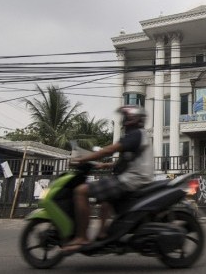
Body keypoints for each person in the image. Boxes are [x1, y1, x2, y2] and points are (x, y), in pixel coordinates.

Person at [62, 105, 154, 254]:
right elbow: (128, 161)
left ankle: (82, 237)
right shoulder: (138, 136)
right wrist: (105, 164)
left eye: (126, 117)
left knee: (80, 191)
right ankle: (102, 233)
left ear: (133, 119)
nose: (123, 120)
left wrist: (82, 159)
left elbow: (110, 149)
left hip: (131, 180)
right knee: (105, 199)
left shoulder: (136, 134)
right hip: (135, 178)